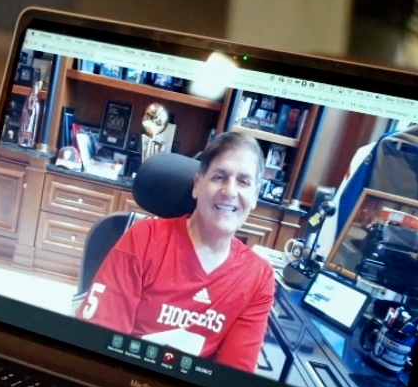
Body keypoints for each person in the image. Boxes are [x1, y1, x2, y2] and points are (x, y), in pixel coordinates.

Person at [79, 132, 276, 372]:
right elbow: (99, 345)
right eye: (219, 177)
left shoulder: (259, 277)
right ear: (197, 185)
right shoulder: (143, 239)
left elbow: (233, 380)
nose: (230, 191)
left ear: (255, 196)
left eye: (243, 181)